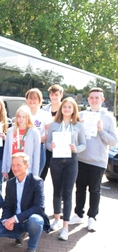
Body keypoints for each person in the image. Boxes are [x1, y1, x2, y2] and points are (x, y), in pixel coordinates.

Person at [69, 87, 117, 232]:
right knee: (80, 188)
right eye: (92, 97)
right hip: (81, 158)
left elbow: (113, 141)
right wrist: (78, 126)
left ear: (102, 100)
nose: (94, 100)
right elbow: (73, 135)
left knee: (95, 190)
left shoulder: (109, 117)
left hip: (98, 161)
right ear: (88, 99)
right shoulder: (81, 114)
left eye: (97, 98)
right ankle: (78, 214)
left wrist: (101, 131)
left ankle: (92, 217)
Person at [0, 152, 50, 252]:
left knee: (35, 220)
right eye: (13, 165)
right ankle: (19, 234)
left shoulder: (37, 182)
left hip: (29, 219)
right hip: (15, 220)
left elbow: (39, 207)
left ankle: (31, 247)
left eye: (18, 165)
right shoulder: (10, 183)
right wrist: (5, 221)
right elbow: (7, 205)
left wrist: (16, 218)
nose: (15, 168)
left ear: (26, 166)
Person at [46, 97, 86, 240]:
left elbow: (83, 144)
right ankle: (56, 219)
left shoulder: (79, 126)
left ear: (74, 109)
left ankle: (65, 227)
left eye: (70, 107)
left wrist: (77, 148)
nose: (67, 109)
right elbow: (48, 142)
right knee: (57, 191)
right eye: (65, 107)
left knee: (68, 193)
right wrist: (50, 146)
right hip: (56, 161)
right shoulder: (54, 125)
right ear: (61, 109)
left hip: (71, 161)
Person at [2, 105, 40, 179]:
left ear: (28, 118)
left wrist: (35, 174)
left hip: (26, 169)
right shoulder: (10, 131)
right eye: (19, 116)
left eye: (24, 117)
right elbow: (6, 151)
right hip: (12, 168)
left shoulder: (34, 132)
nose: (21, 119)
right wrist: (4, 169)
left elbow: (36, 155)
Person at [25, 88, 53, 175]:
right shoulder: (23, 113)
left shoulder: (45, 115)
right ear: (27, 99)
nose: (32, 100)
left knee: (36, 175)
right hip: (24, 147)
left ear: (40, 100)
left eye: (35, 98)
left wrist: (39, 139)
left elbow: (50, 133)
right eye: (30, 98)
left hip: (39, 147)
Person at [40, 84, 64, 180]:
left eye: (56, 95)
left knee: (58, 177)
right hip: (46, 146)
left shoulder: (66, 109)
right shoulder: (43, 110)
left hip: (59, 146)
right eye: (52, 94)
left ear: (61, 95)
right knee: (42, 173)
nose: (54, 97)